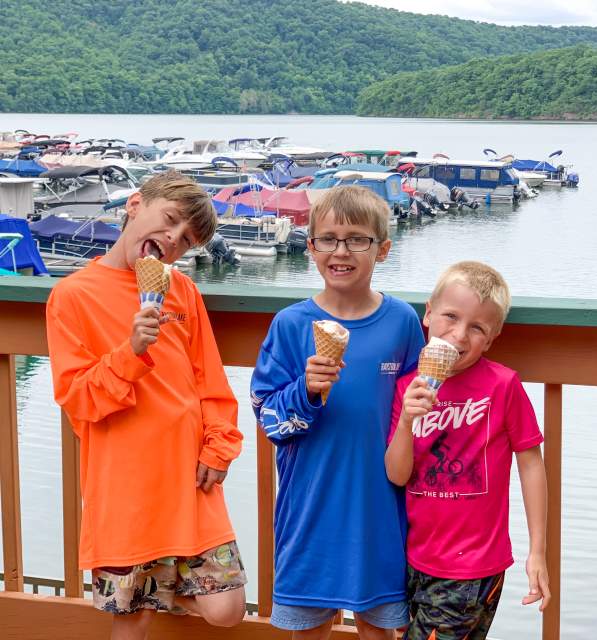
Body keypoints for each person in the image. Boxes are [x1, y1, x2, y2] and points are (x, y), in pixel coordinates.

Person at [46, 171, 247, 640]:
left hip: (190, 480)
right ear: (136, 204)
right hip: (125, 488)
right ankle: (147, 594)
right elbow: (78, 396)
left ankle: (159, 591)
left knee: (227, 607)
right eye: (170, 220)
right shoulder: (72, 295)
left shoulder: (183, 292)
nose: (172, 240)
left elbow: (211, 383)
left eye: (186, 240)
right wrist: (131, 352)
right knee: (131, 621)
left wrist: (218, 446)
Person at [250, 185, 425, 640]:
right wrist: (305, 391)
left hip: (381, 507)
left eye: (356, 239)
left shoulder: (403, 322)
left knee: (380, 628)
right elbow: (268, 418)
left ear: (382, 249)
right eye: (327, 239)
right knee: (308, 630)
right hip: (310, 505)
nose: (340, 250)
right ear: (310, 248)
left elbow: (418, 412)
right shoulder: (290, 325)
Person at [385, 261, 550, 640]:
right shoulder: (406, 386)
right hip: (414, 558)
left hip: (473, 565)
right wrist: (408, 422)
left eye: (477, 328)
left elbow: (530, 464)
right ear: (428, 314)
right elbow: (397, 474)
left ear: (491, 339)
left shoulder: (503, 385)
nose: (459, 336)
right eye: (450, 317)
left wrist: (537, 551)